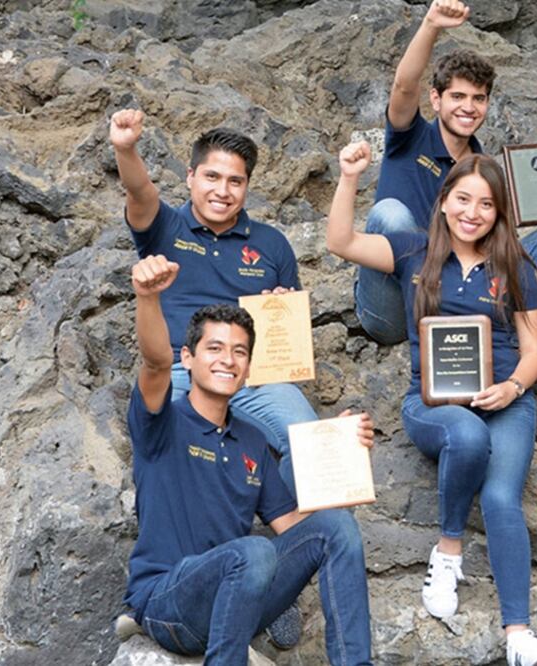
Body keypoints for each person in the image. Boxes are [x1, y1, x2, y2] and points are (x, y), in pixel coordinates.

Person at [330, 140, 537, 666]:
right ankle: (448, 549)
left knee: (503, 500)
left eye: (485, 204)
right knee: (467, 434)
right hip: (431, 405)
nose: (471, 213)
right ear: (444, 200)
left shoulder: (517, 267)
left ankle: (518, 635)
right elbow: (340, 240)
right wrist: (348, 177)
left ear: (499, 212)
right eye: (462, 199)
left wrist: (515, 388)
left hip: (507, 400)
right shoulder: (413, 250)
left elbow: (534, 351)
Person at [110, 110, 316, 645]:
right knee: (172, 435)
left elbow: (290, 332)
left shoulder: (272, 245)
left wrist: (280, 308)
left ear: (248, 186)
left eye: (235, 181)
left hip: (258, 374)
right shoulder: (167, 227)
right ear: (192, 179)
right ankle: (174, 585)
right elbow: (138, 194)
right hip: (186, 371)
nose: (223, 190)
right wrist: (126, 148)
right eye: (212, 177)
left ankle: (274, 587)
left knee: (307, 437)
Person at [124, 255, 374, 665]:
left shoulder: (252, 440)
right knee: (254, 552)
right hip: (169, 600)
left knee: (336, 528)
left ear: (249, 367)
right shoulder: (161, 423)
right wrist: (147, 298)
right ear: (187, 357)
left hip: (238, 602)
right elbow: (154, 363)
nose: (228, 359)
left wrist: (340, 445)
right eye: (215, 348)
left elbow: (296, 530)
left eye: (239, 351)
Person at [355, 0, 537, 395]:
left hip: (456, 303)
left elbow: (499, 249)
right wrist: (431, 25)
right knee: (392, 215)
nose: (468, 107)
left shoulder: (484, 170)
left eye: (478, 99)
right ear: (436, 99)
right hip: (396, 306)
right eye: (458, 97)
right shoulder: (410, 136)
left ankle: (523, 357)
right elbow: (403, 86)